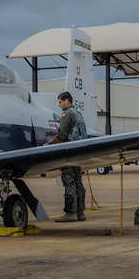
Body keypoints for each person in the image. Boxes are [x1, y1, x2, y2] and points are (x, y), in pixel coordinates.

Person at [47, 91, 88, 222]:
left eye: (60, 102)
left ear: (66, 101)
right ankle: (80, 212)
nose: (59, 105)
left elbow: (62, 136)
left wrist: (47, 145)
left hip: (70, 152)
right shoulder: (78, 113)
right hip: (80, 152)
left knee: (68, 181)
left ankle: (70, 213)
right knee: (78, 182)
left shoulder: (67, 114)